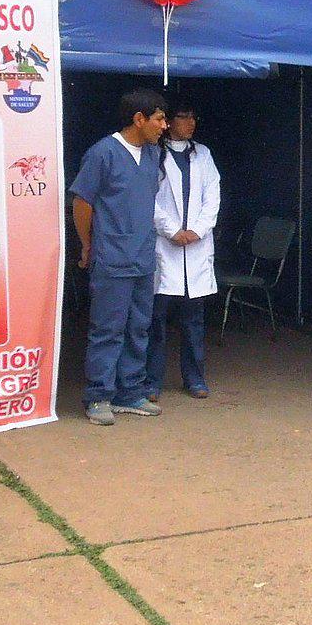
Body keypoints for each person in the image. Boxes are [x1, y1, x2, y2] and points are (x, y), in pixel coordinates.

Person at [70, 89, 168, 425]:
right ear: (138, 119)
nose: (164, 126)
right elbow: (82, 203)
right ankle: (98, 395)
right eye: (158, 119)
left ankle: (130, 393)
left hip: (142, 255)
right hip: (111, 256)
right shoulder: (103, 153)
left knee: (139, 327)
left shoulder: (154, 155)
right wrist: (88, 244)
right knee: (107, 329)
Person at [147, 102, 220, 401]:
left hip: (196, 246)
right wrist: (171, 230)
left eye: (193, 117)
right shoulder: (153, 153)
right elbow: (149, 198)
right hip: (165, 246)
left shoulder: (203, 154)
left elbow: (212, 195)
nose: (190, 123)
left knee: (193, 322)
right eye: (182, 117)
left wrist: (198, 230)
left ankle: (195, 379)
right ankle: (151, 382)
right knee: (156, 321)